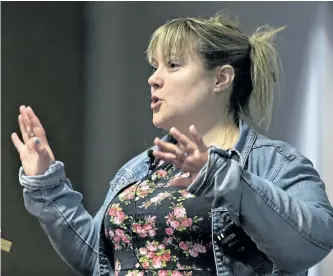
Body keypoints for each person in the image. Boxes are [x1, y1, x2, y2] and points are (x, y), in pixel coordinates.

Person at [12, 13, 333, 276]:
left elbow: (313, 242)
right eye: (155, 66)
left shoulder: (275, 163)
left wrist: (225, 179)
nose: (153, 78)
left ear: (221, 79)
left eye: (174, 65)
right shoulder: (139, 168)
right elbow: (95, 259)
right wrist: (47, 185)